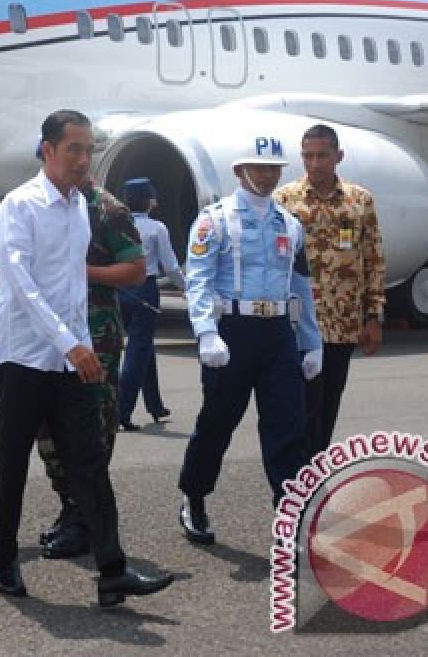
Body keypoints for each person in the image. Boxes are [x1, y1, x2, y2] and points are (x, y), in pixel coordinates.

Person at [0, 109, 173, 606]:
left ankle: (112, 569)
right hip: (27, 357)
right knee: (12, 461)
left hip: (73, 358)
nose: (83, 159)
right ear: (47, 149)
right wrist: (68, 342)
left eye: (88, 149)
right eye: (74, 149)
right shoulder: (19, 206)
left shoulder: (79, 207)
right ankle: (2, 561)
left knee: (90, 463)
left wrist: (81, 347)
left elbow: (72, 285)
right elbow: (22, 286)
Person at [178, 135, 323, 545]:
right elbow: (200, 280)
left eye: (273, 168)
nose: (266, 174)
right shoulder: (214, 220)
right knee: (216, 425)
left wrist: (312, 342)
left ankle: (289, 517)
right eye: (257, 167)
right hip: (232, 332)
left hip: (278, 333)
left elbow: (301, 285)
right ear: (239, 171)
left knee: (287, 428)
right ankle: (195, 495)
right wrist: (206, 333)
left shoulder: (290, 225)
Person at [34, 150, 147, 561]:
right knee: (47, 429)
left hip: (96, 333)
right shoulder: (35, 203)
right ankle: (71, 507)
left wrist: (81, 272)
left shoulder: (107, 209)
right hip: (46, 335)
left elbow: (135, 269)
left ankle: (86, 518)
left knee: (92, 430)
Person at [274, 124, 385, 456]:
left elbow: (373, 259)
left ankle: (315, 472)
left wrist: (374, 317)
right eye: (308, 156)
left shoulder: (359, 201)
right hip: (297, 323)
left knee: (329, 401)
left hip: (342, 323)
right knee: (301, 405)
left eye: (322, 156)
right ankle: (299, 479)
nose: (315, 163)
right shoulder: (284, 200)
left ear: (338, 156)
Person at [116, 178, 185, 431]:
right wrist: (187, 287)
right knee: (138, 348)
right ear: (150, 200)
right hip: (145, 288)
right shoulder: (157, 228)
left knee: (143, 345)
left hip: (120, 288)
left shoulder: (119, 223)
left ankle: (155, 404)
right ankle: (121, 410)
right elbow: (171, 266)